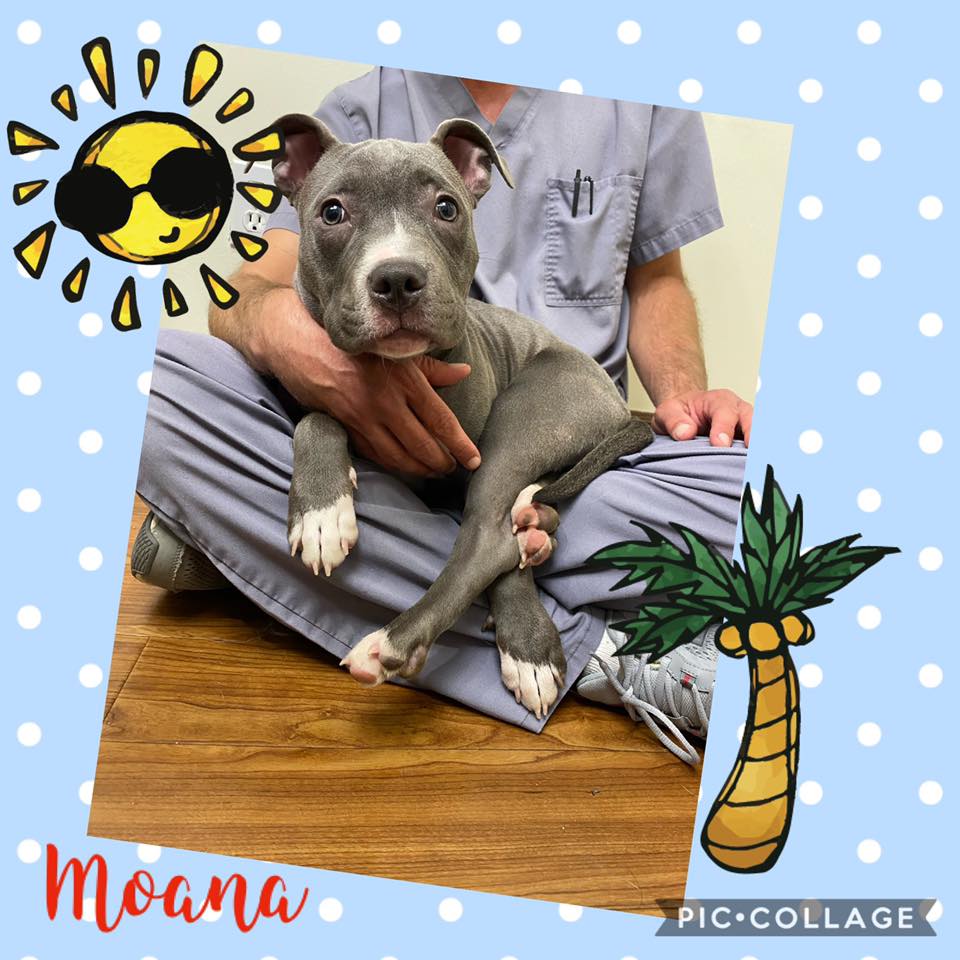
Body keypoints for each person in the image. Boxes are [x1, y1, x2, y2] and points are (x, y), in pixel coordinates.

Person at [133, 69, 752, 764]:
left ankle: (259, 554)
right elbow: (246, 289)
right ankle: (598, 634)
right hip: (445, 466)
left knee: (762, 492)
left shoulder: (640, 99)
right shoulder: (354, 110)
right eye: (335, 213)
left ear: (475, 178)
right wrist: (321, 385)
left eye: (444, 209)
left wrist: (682, 414)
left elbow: (658, 282)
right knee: (155, 381)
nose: (397, 272)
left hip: (584, 453)